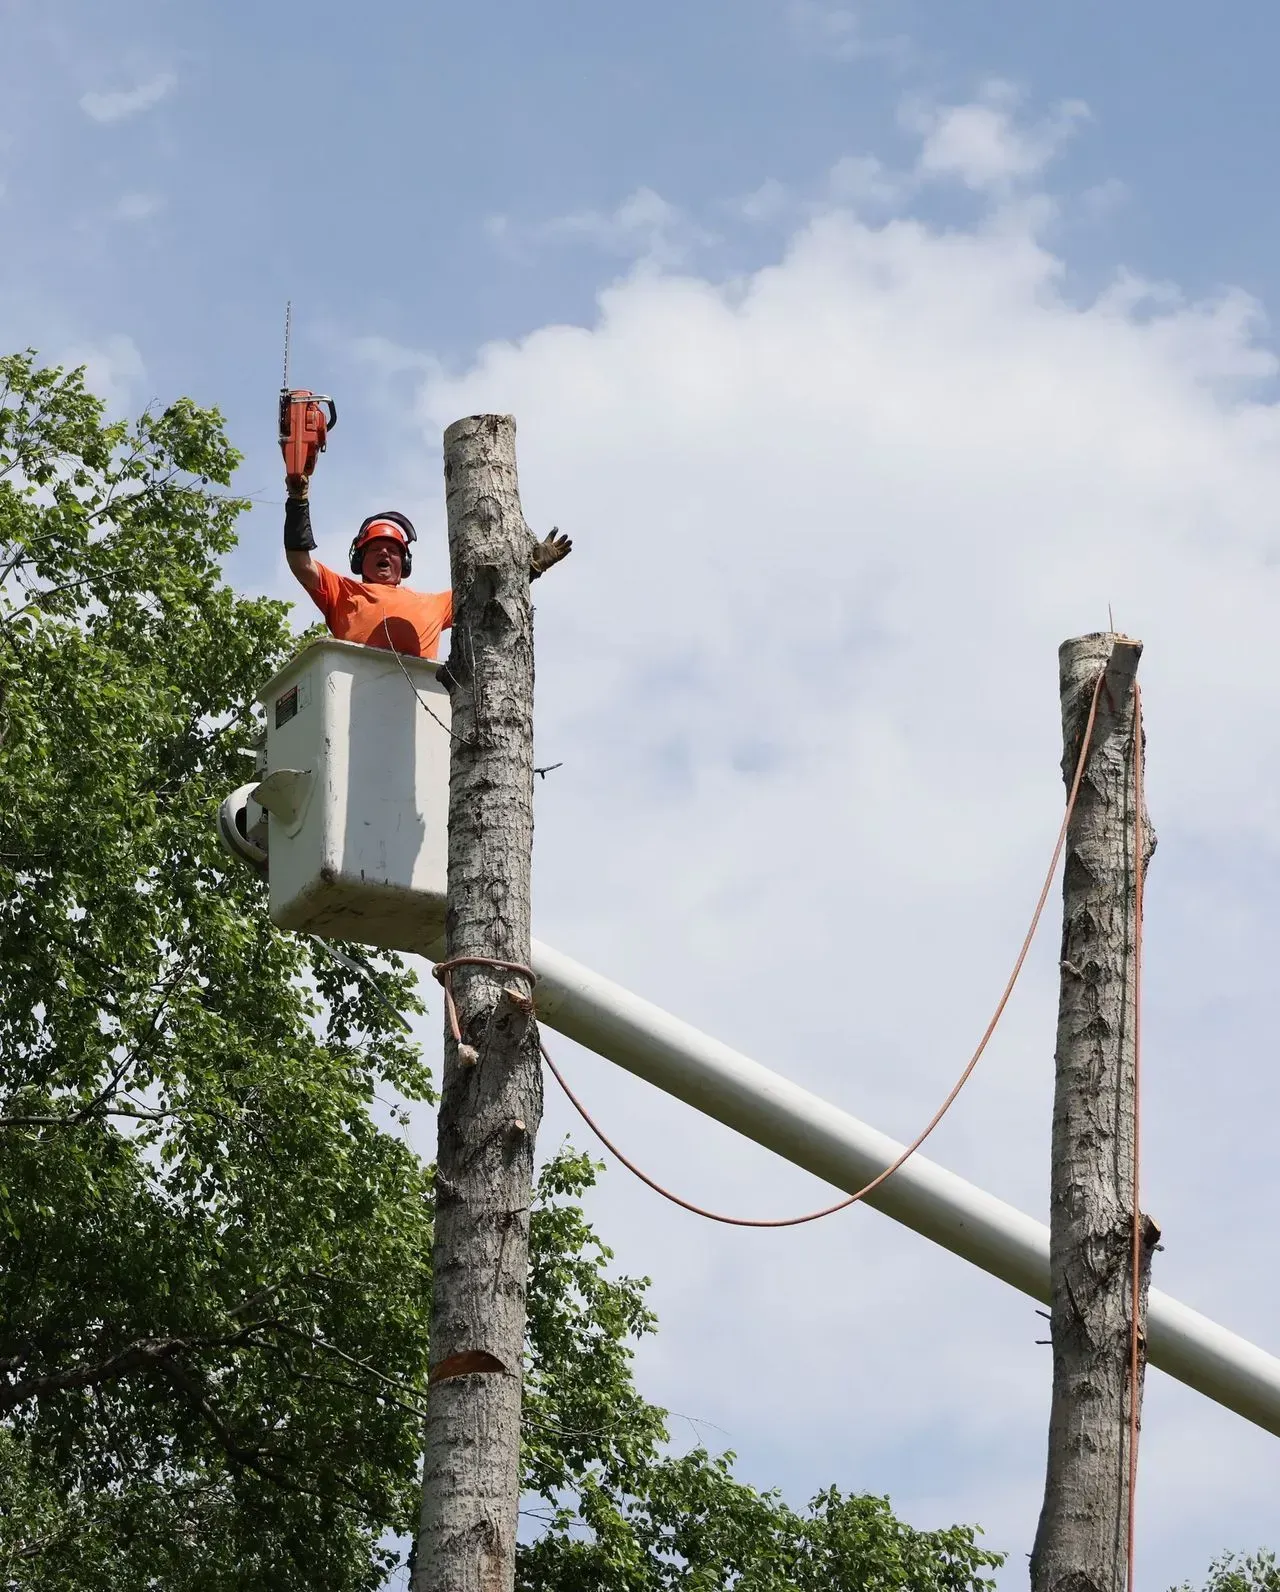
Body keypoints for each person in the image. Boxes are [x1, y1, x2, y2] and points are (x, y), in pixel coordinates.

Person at [282, 472, 571, 659]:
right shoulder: (343, 592)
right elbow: (300, 562)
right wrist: (298, 501)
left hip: (415, 706)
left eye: (393, 550)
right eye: (375, 549)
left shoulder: (431, 604)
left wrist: (530, 569)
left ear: (404, 562)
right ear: (359, 559)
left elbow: (482, 594)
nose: (384, 552)